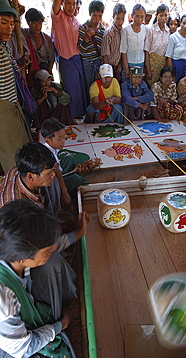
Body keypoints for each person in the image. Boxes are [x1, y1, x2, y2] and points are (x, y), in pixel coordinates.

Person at [0, 142, 91, 320]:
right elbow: (44, 247)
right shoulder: (20, 209)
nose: (52, 175)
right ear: (32, 176)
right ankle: (53, 312)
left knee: (55, 183)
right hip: (18, 243)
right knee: (52, 264)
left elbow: (54, 171)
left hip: (29, 233)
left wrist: (63, 191)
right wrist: (77, 234)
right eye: (47, 173)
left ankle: (56, 220)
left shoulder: (19, 171)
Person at [0, 199, 77, 357]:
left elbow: (53, 245)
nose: (52, 249)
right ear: (22, 257)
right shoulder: (3, 299)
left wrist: (77, 234)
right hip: (11, 348)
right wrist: (60, 325)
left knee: (52, 262)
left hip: (18, 306)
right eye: (47, 249)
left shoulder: (11, 248)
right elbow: (23, 349)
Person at [0, 0, 31, 173]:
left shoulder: (3, 46)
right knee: (13, 156)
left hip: (12, 107)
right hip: (3, 113)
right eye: (3, 23)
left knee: (21, 150)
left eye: (12, 24)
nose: (9, 28)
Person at [51, 0, 87, 120]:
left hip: (77, 59)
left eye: (74, 3)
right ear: (62, 2)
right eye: (68, 3)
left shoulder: (76, 21)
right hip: (66, 60)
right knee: (71, 91)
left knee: (80, 89)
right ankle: (71, 118)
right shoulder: (57, 17)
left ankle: (81, 118)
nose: (71, 7)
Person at [41, 117, 90, 198]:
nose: (63, 141)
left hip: (59, 171)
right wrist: (64, 192)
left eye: (64, 137)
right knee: (74, 178)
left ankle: (73, 175)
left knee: (70, 159)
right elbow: (56, 176)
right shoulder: (48, 156)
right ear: (47, 140)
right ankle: (83, 189)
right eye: (59, 139)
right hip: (54, 180)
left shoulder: (53, 148)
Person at [78, 0, 105, 100]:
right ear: (89, 14)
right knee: (89, 87)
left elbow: (103, 49)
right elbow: (81, 50)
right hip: (87, 63)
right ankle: (90, 110)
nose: (97, 19)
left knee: (99, 87)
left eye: (99, 16)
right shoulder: (82, 28)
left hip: (98, 62)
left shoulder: (103, 30)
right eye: (94, 15)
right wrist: (86, 38)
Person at [23, 8, 55, 87]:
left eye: (40, 23)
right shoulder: (24, 35)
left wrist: (48, 75)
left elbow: (51, 59)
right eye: (34, 23)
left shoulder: (47, 39)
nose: (37, 26)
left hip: (44, 71)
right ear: (28, 22)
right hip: (29, 71)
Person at [144, 4, 170, 87]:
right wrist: (148, 70)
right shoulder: (151, 30)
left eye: (165, 15)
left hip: (162, 64)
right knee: (151, 86)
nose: (163, 18)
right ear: (156, 16)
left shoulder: (168, 31)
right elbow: (147, 51)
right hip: (152, 64)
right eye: (161, 15)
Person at [120, 3, 147, 80]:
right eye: (137, 16)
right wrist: (127, 70)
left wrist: (145, 66)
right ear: (132, 16)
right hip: (129, 64)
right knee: (128, 85)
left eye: (142, 17)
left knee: (138, 87)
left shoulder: (145, 29)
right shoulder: (126, 31)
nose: (140, 19)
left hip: (141, 63)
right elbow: (123, 52)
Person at [101, 3, 126, 83]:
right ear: (113, 17)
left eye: (122, 18)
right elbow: (105, 55)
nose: (120, 21)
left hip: (117, 67)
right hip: (109, 67)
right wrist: (107, 72)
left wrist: (119, 63)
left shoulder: (123, 32)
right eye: (118, 18)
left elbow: (121, 51)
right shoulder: (108, 33)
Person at [166, 13, 186, 83]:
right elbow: (168, 57)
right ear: (180, 23)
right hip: (176, 66)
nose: (185, 26)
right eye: (183, 23)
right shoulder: (173, 37)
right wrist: (172, 73)